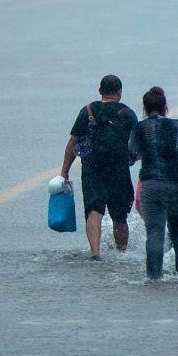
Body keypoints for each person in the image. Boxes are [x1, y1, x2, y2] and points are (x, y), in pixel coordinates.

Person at [126, 86, 178, 280]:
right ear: (165, 107)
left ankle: (154, 278)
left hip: (151, 186)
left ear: (144, 107)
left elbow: (131, 156)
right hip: (177, 184)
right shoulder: (177, 127)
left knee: (154, 233)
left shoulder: (139, 129)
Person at [59, 75, 138, 260]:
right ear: (119, 92)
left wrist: (64, 171)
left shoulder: (87, 111)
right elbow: (137, 143)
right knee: (120, 216)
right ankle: (122, 254)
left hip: (92, 169)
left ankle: (95, 254)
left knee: (94, 211)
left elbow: (73, 142)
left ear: (100, 91)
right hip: (119, 169)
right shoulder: (127, 113)